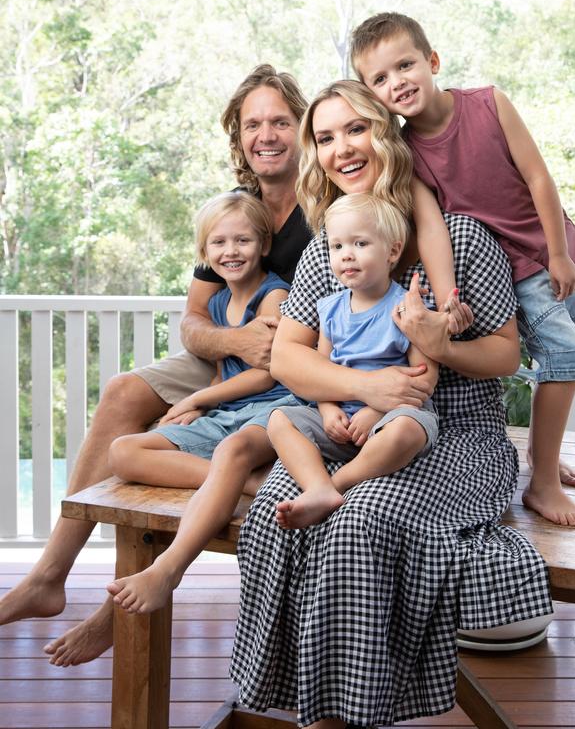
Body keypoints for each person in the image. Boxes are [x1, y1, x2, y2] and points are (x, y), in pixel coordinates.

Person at [229, 80, 553, 729]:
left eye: (356, 129)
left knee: (359, 518)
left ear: (388, 133)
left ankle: (346, 716)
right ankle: (308, 707)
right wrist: (366, 391)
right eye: (324, 137)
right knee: (274, 510)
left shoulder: (461, 238)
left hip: (456, 433)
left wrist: (439, 346)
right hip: (351, 426)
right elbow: (290, 358)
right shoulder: (333, 242)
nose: (342, 148)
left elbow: (505, 356)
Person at [0, 64, 311, 666]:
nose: (266, 134)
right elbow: (195, 322)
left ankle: (111, 609)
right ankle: (49, 575)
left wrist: (259, 354)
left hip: (290, 367)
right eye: (253, 124)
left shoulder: (323, 207)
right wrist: (238, 342)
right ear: (239, 135)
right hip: (236, 352)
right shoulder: (236, 211)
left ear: (302, 128)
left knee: (161, 441)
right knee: (122, 393)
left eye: (280, 121)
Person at [351, 11, 575, 528]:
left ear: (432, 61)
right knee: (567, 357)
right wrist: (450, 291)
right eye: (380, 79)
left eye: (405, 65)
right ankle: (543, 484)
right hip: (509, 270)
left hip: (552, 250)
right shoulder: (407, 152)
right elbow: (434, 227)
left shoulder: (488, 103)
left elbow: (538, 178)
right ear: (373, 94)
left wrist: (558, 254)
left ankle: (545, 459)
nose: (398, 82)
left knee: (560, 360)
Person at [104, 191, 303, 614]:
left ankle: (171, 566)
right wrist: (202, 409)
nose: (231, 251)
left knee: (227, 443)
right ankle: (243, 483)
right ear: (204, 252)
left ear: (264, 245)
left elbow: (269, 369)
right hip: (229, 412)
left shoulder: (274, 297)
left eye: (243, 241)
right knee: (124, 452)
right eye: (219, 243)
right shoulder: (215, 303)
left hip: (277, 406)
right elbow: (222, 366)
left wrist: (198, 397)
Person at [268, 193, 439, 531]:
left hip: (392, 417)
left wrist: (376, 412)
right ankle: (316, 485)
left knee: (407, 429)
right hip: (340, 424)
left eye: (360, 243)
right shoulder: (330, 309)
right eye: (336, 247)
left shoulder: (406, 308)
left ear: (392, 251)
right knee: (278, 420)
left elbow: (424, 380)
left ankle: (337, 485)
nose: (346, 254)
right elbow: (321, 370)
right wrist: (328, 409)